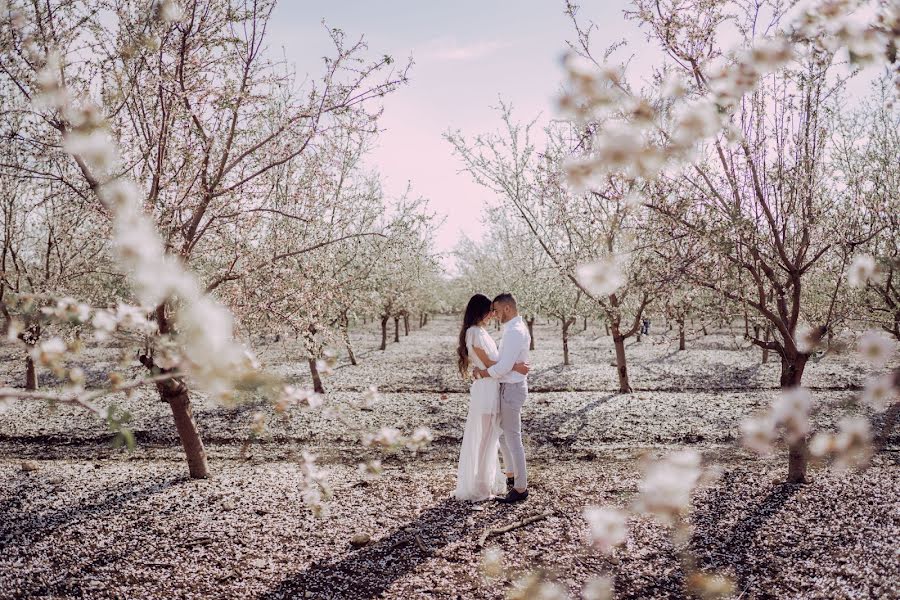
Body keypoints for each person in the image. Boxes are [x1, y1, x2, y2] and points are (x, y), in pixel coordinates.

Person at [453, 294, 530, 501]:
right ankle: (480, 484)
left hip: (492, 386)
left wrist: (508, 365)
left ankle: (500, 478)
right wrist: (515, 366)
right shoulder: (475, 332)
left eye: (494, 310)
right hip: (487, 389)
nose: (492, 314)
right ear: (480, 311)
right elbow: (491, 365)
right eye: (489, 310)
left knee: (493, 436)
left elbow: (495, 364)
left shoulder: (482, 331)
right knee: (487, 437)